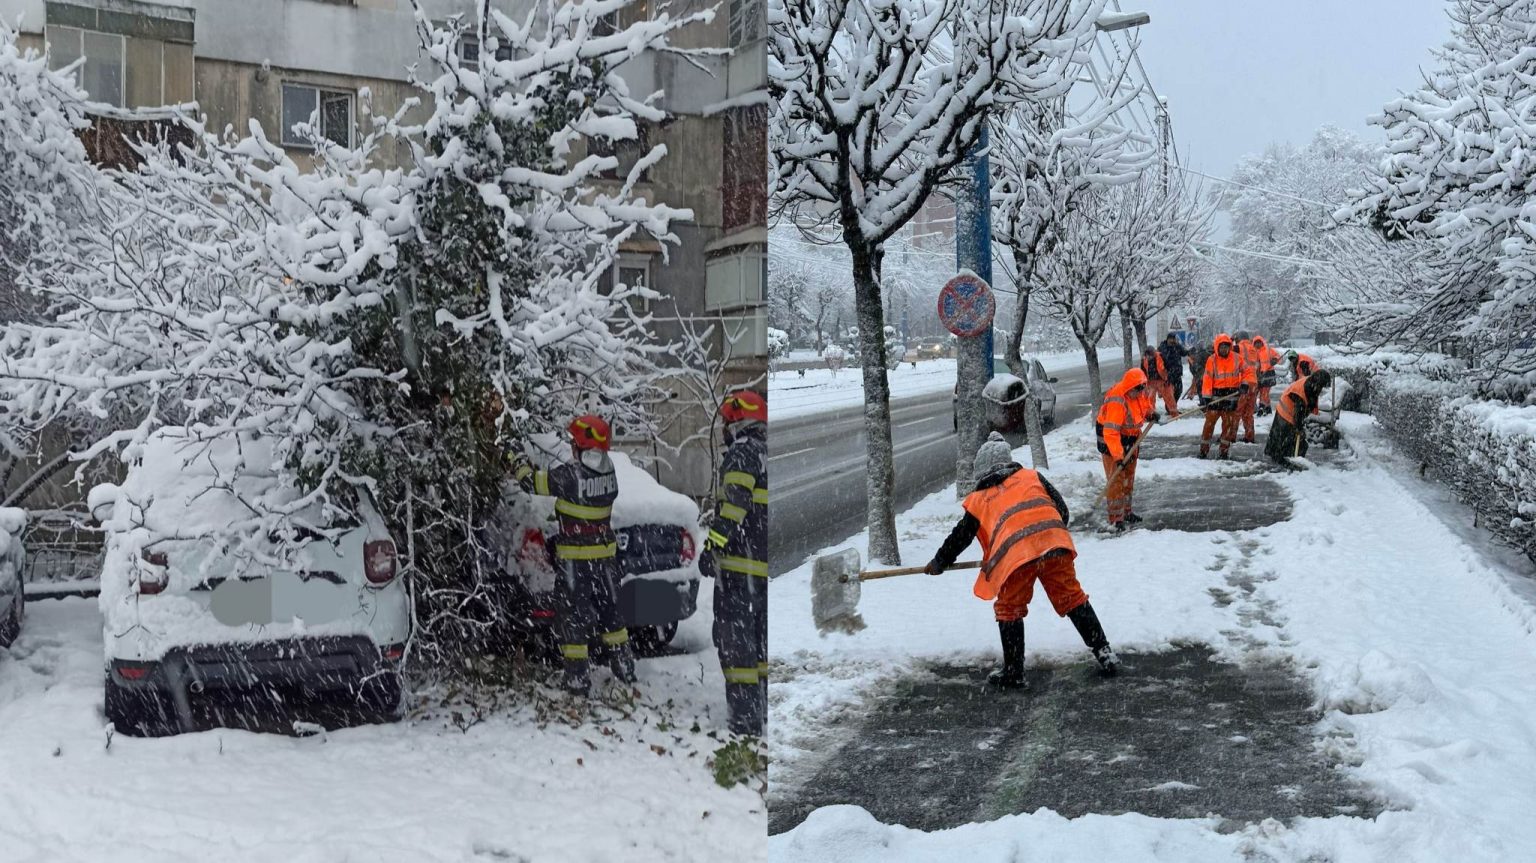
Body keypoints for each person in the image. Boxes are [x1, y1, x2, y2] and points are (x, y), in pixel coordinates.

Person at [923, 432, 1120, 687]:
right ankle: (1104, 652)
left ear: (981, 471)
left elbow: (961, 536)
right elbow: (1062, 510)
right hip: (1054, 545)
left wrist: (939, 562)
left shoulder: (980, 499)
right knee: (1073, 599)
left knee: (1010, 609)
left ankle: (1014, 672)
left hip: (1017, 559)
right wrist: (1045, 535)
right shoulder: (1031, 476)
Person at [511, 415, 634, 695]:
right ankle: (624, 667)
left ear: (583, 445)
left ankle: (577, 679)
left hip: (576, 563)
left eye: (573, 443)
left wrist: (516, 461)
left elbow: (531, 484)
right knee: (612, 615)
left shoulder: (569, 476)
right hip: (605, 560)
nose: (571, 448)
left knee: (573, 620)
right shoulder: (609, 472)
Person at [699, 390, 768, 736]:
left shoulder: (742, 454)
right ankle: (760, 711)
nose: (724, 430)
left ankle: (744, 721)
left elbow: (734, 508)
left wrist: (712, 547)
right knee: (759, 649)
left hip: (740, 570)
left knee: (737, 647)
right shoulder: (767, 452)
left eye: (727, 423)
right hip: (761, 571)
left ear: (738, 422)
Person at [1095, 367, 1157, 530]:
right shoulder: (1118, 399)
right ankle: (1116, 518)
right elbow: (1111, 432)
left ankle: (1127, 512)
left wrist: (1151, 414)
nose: (1140, 392)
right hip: (1112, 442)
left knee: (1128, 478)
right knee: (1116, 481)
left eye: (1142, 388)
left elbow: (1143, 408)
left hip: (1131, 439)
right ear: (1130, 387)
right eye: (1138, 389)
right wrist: (1118, 456)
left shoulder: (1139, 393)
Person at [1198, 333, 1254, 460]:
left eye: (1227, 346)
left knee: (1228, 426)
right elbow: (1207, 378)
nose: (1224, 349)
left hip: (1231, 397)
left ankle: (1223, 451)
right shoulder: (1212, 360)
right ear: (1217, 347)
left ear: (1230, 346)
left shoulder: (1237, 358)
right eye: (1222, 347)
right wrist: (1206, 396)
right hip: (1215, 398)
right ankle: (1203, 450)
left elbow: (1248, 371)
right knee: (1209, 425)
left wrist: (1245, 384)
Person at [1265, 369, 1334, 467]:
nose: (1321, 388)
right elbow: (1299, 411)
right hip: (1286, 410)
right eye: (1322, 386)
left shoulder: (1312, 383)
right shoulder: (1303, 390)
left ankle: (1286, 457)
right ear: (1318, 382)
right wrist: (1298, 428)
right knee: (1283, 437)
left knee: (1287, 438)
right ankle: (1281, 458)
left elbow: (1310, 403)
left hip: (1292, 410)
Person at [1233, 330, 1260, 444]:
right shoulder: (1254, 349)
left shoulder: (1238, 347)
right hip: (1254, 383)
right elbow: (1258, 367)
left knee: (1237, 411)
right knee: (1248, 412)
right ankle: (1250, 436)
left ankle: (1230, 435)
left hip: (1243, 383)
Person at [1140, 344, 1179, 418]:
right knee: (1149, 398)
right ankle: (1150, 414)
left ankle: (1174, 413)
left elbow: (1169, 368)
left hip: (1163, 380)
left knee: (1169, 397)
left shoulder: (1161, 356)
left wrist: (1169, 378)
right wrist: (1143, 382)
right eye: (1148, 356)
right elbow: (1143, 372)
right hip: (1151, 381)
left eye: (1150, 355)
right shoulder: (1144, 360)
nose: (1149, 357)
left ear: (1154, 353)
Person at [1252, 335, 1280, 416]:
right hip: (1260, 374)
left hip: (1269, 373)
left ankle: (1261, 407)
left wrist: (1274, 360)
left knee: (1265, 391)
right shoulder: (1255, 352)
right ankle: (1268, 409)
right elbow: (1256, 364)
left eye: (1259, 343)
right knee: (1262, 391)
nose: (1257, 345)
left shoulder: (1268, 350)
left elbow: (1277, 356)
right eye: (1256, 343)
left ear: (1261, 342)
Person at [1159, 333, 1189, 403]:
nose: (1172, 341)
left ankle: (1173, 405)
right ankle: (1170, 407)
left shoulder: (1177, 346)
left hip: (1177, 373)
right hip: (1167, 374)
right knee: (1169, 392)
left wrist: (1189, 351)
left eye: (1174, 339)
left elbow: (1184, 353)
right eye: (1171, 339)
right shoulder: (1162, 347)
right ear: (1167, 339)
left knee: (1179, 390)